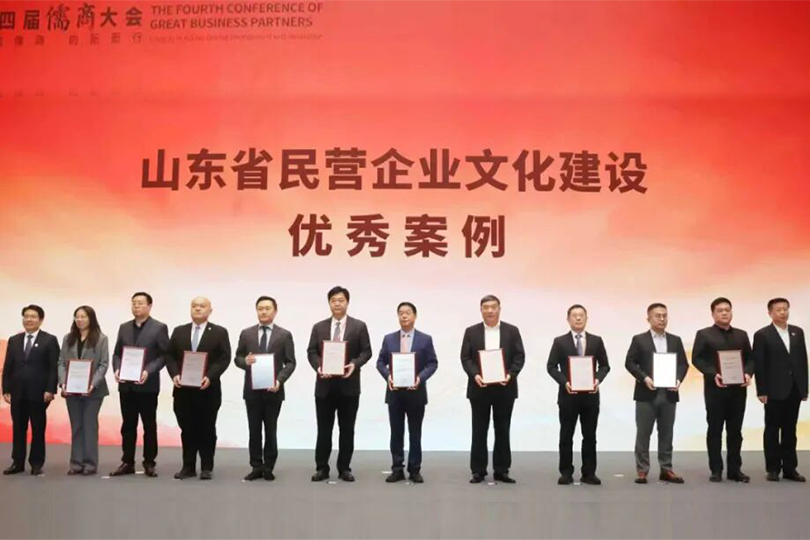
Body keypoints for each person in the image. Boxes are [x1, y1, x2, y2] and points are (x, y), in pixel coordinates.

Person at [307, 286, 372, 482]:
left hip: (349, 386)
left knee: (347, 429)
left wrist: (355, 364)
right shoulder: (319, 327)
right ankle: (322, 467)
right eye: (333, 300)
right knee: (324, 430)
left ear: (347, 302)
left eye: (341, 300)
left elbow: (366, 352)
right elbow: (311, 351)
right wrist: (319, 366)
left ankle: (344, 468)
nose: (337, 303)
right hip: (324, 387)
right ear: (329, 303)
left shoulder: (359, 326)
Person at [460, 294, 525, 484]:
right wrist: (475, 375)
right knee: (479, 430)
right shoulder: (471, 332)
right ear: (481, 310)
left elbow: (519, 356)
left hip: (505, 388)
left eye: (493, 307)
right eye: (486, 307)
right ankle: (478, 470)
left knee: (503, 429)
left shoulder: (512, 331)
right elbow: (465, 358)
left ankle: (502, 470)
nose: (490, 310)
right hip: (479, 387)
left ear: (499, 309)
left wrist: (510, 374)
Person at [166, 297, 231, 480]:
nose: (197, 309)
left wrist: (210, 376)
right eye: (194, 306)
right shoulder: (180, 331)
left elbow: (224, 358)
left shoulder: (219, 332)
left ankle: (206, 466)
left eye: (202, 306)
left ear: (210, 310)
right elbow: (169, 356)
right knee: (187, 428)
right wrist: (174, 374)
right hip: (183, 390)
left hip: (208, 390)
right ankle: (188, 466)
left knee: (207, 428)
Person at [624, 303, 689, 484]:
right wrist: (644, 378)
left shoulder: (675, 340)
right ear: (649, 318)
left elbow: (683, 364)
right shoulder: (639, 340)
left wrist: (678, 380)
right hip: (646, 393)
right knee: (644, 433)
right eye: (658, 316)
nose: (662, 319)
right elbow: (630, 362)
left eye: (664, 316)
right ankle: (642, 470)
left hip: (669, 394)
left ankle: (666, 469)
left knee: (667, 433)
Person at [234, 296, 297, 481]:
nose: (263, 311)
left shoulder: (284, 335)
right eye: (260, 308)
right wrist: (244, 362)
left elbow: (291, 362)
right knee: (254, 430)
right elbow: (237, 357)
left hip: (273, 390)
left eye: (267, 308)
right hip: (252, 391)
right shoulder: (246, 333)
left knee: (270, 430)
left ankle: (269, 467)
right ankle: (256, 466)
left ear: (275, 311)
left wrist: (280, 380)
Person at [692, 297, 754, 483]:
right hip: (715, 390)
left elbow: (751, 359)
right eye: (720, 310)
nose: (724, 313)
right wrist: (713, 374)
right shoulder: (704, 334)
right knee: (715, 430)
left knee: (735, 431)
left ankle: (735, 470)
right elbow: (697, 359)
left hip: (738, 390)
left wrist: (748, 373)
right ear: (713, 314)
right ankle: (716, 469)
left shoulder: (741, 335)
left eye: (727, 309)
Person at [547, 304, 610, 485]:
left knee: (589, 436)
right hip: (568, 396)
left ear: (586, 318)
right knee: (566, 435)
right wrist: (564, 382)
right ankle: (566, 472)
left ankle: (589, 473)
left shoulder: (596, 341)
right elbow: (551, 366)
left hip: (590, 396)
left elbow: (605, 366)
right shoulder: (560, 342)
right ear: (568, 319)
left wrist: (597, 379)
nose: (578, 318)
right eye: (574, 315)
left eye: (581, 315)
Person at [375, 302, 438, 483]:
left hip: (416, 393)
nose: (404, 316)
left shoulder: (425, 339)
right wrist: (388, 376)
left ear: (415, 316)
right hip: (395, 393)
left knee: (415, 432)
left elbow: (432, 363)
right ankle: (397, 468)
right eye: (401, 313)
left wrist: (420, 378)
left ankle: (415, 469)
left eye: (408, 313)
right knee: (396, 432)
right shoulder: (389, 339)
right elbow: (380, 362)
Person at [109, 292, 169, 478]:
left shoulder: (159, 327)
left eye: (141, 303)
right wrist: (117, 369)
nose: (136, 306)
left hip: (147, 385)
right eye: (134, 303)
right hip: (126, 385)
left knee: (149, 425)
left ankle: (149, 462)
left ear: (150, 306)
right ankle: (127, 462)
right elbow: (117, 353)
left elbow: (164, 355)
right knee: (128, 425)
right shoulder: (124, 327)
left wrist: (148, 371)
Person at [753, 297, 808, 482]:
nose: (783, 312)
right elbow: (759, 364)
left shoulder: (797, 332)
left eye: (785, 309)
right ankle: (773, 468)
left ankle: (790, 468)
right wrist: (761, 390)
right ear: (770, 313)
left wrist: (804, 388)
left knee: (790, 430)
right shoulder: (762, 334)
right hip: (773, 390)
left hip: (794, 389)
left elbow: (802, 360)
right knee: (772, 429)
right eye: (779, 310)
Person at [2, 305, 59, 476]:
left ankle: (36, 463)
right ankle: (17, 462)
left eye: (33, 316)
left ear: (41, 320)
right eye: (26, 316)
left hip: (39, 393)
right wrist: (6, 389)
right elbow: (8, 366)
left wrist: (50, 389)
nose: (29, 319)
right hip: (17, 392)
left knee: (38, 428)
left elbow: (53, 368)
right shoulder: (14, 340)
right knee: (18, 428)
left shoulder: (49, 340)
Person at [57, 306, 109, 475]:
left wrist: (92, 384)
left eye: (83, 317)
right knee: (77, 426)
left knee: (89, 425)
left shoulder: (101, 339)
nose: (79, 320)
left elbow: (103, 364)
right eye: (77, 317)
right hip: (71, 390)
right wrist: (63, 383)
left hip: (93, 391)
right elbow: (61, 362)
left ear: (91, 319)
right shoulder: (68, 338)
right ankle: (76, 463)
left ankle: (90, 464)